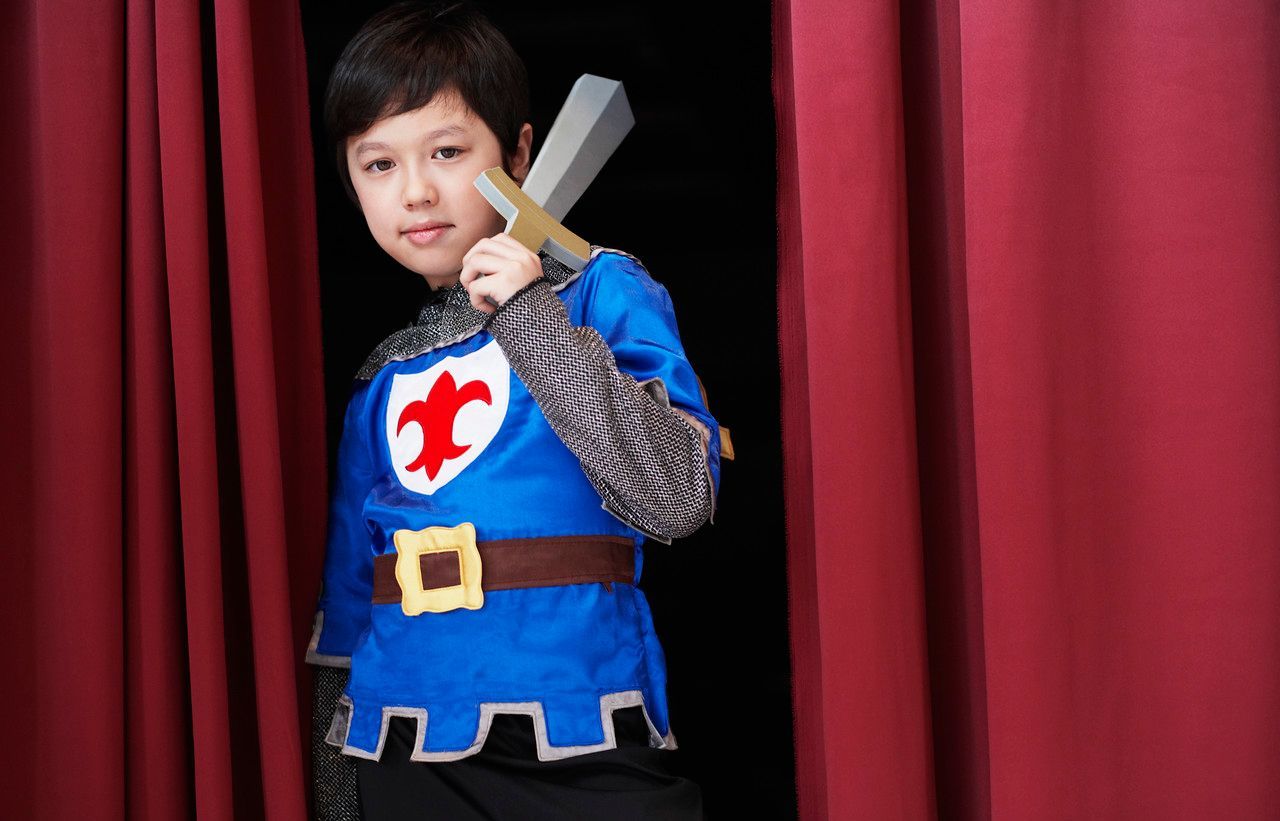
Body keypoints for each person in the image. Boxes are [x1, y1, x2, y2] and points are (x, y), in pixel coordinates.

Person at [305, 2, 722, 818]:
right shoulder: (384, 374)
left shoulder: (601, 291)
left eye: (447, 151)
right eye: (378, 164)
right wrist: (338, 803)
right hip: (409, 748)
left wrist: (529, 314)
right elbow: (346, 619)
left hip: (582, 726)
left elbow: (677, 494)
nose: (416, 191)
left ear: (520, 153)